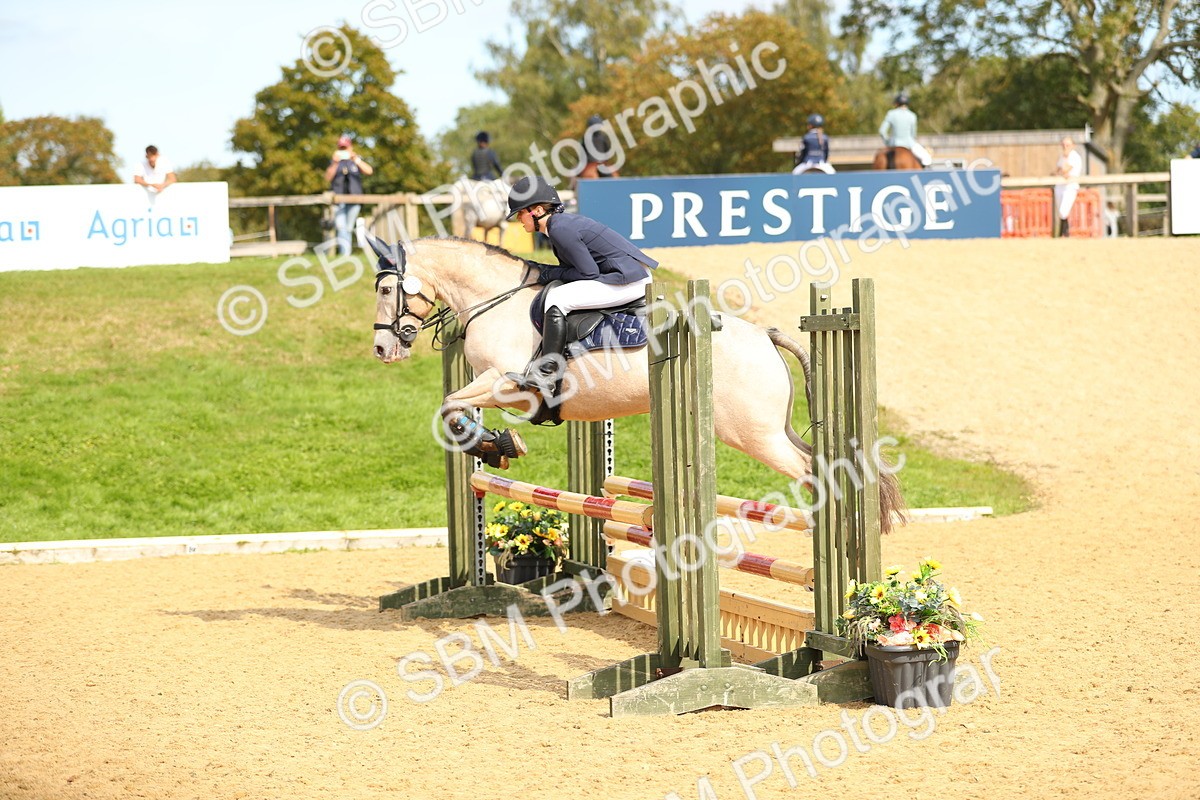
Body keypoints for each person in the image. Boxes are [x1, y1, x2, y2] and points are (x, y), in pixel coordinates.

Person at [503, 176, 656, 395]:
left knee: (558, 298)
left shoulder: (559, 228)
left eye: (520, 213)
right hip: (623, 275)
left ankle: (547, 372)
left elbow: (588, 273)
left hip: (628, 280)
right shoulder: (558, 225)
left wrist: (547, 272)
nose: (519, 218)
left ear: (536, 211)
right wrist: (548, 271)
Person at [324, 134, 373, 256]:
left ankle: (345, 254)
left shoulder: (355, 161)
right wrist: (335, 163)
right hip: (338, 200)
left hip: (354, 200)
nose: (343, 151)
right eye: (341, 148)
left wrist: (356, 159)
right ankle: (345, 255)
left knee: (348, 228)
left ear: (350, 147)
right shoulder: (334, 163)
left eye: (345, 148)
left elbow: (369, 171)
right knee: (341, 227)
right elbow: (327, 177)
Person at [879, 93, 931, 167]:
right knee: (927, 159)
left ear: (896, 104)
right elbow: (913, 135)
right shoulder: (912, 116)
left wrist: (888, 143)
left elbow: (882, 131)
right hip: (909, 144)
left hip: (893, 144)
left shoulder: (891, 114)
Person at [1053, 136, 1083, 238]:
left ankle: (1064, 232)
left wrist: (1064, 163)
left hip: (1070, 186)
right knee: (1060, 211)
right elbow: (1057, 171)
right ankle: (1064, 232)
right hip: (1060, 185)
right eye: (1063, 145)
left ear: (1073, 145)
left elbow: (1065, 170)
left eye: (1067, 145)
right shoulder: (1061, 156)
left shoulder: (1074, 157)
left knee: (1063, 210)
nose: (1065, 147)